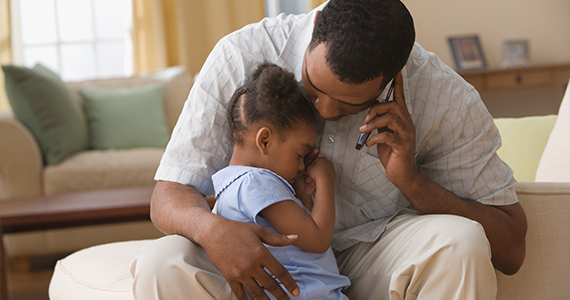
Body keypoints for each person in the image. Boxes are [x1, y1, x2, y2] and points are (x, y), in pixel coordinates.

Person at [130, 1, 527, 299]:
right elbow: (169, 194)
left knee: (460, 242)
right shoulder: (241, 55)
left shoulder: (446, 99)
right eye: (314, 89)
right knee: (162, 263)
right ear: (316, 24)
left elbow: (511, 249)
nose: (326, 111)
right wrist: (212, 229)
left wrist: (411, 180)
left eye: (351, 104)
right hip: (270, 256)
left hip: (377, 252)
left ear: (397, 74)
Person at [212, 62, 350, 299]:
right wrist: (326, 180)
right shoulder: (255, 182)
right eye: (300, 154)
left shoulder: (231, 186)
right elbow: (316, 240)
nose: (302, 166)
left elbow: (295, 240)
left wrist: (303, 197)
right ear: (264, 140)